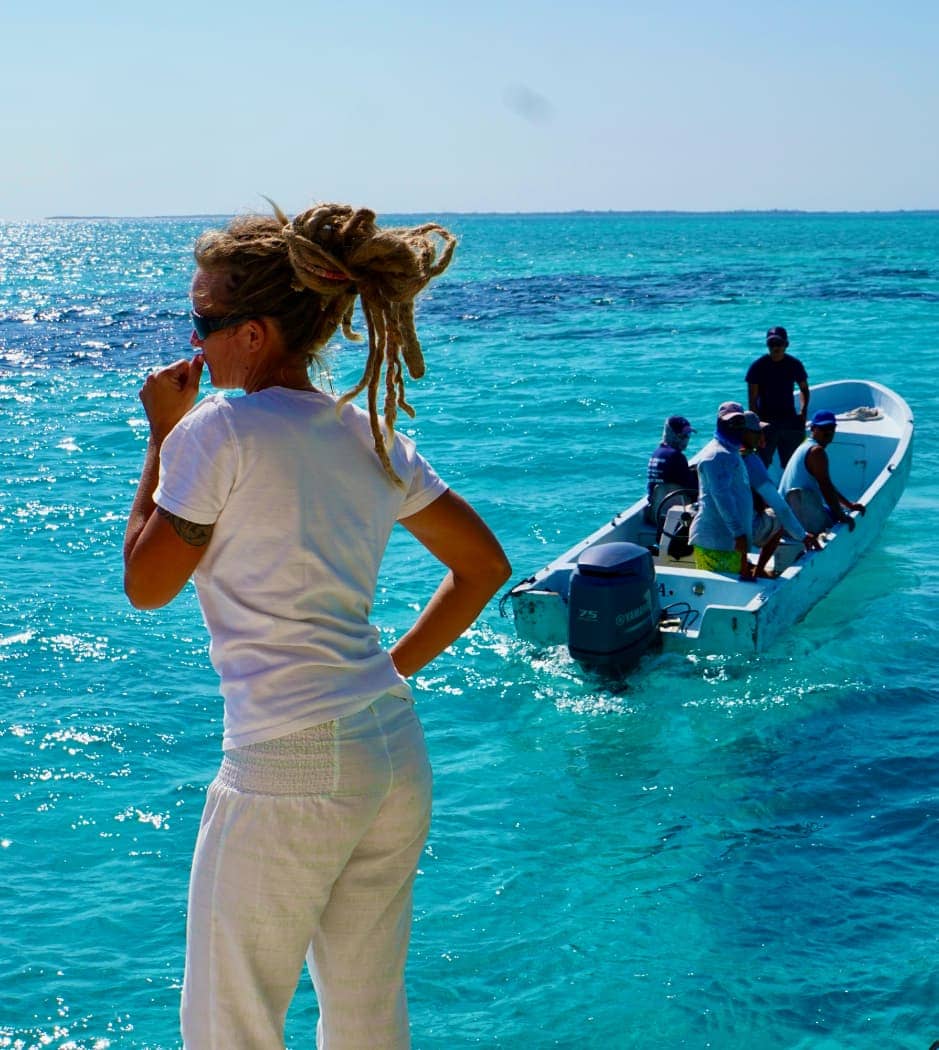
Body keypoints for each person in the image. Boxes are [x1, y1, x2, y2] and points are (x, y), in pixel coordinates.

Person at [122, 201, 512, 1050]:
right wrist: (393, 672)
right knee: (367, 1012)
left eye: (204, 320)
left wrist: (160, 438)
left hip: (286, 761)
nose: (194, 340)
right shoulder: (367, 432)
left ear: (255, 332)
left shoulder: (214, 432)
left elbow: (147, 587)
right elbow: (483, 569)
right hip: (390, 748)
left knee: (230, 1023)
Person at [740, 411, 821, 578]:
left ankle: (747, 563)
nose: (762, 436)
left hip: (720, 525)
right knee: (779, 519)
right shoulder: (751, 460)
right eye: (758, 432)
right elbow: (779, 506)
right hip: (741, 528)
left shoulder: (723, 456)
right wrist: (802, 535)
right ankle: (759, 569)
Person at [688, 401, 754, 580]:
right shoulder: (715, 456)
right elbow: (721, 497)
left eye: (740, 422)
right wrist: (738, 533)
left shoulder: (730, 451)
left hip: (729, 540)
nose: (737, 427)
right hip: (715, 541)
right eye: (731, 422)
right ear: (720, 424)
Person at [779, 408, 866, 533]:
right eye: (823, 428)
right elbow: (825, 486)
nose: (828, 432)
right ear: (813, 429)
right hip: (796, 514)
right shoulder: (817, 452)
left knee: (831, 510)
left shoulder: (805, 445)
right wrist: (841, 515)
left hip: (788, 511)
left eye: (831, 427)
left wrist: (848, 505)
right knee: (836, 517)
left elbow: (827, 484)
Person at [745, 325, 810, 469]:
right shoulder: (757, 367)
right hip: (766, 423)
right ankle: (760, 490)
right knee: (761, 463)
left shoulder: (794, 365)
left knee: (793, 463)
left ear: (786, 344)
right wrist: (757, 427)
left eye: (779, 343)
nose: (775, 347)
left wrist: (803, 412)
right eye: (771, 344)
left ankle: (791, 490)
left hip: (790, 420)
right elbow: (753, 400)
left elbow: (804, 389)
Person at [645, 414, 698, 523]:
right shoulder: (677, 457)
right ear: (672, 435)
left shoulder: (656, 453)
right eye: (683, 436)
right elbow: (692, 488)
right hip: (677, 516)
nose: (687, 439)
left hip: (656, 514)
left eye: (688, 435)